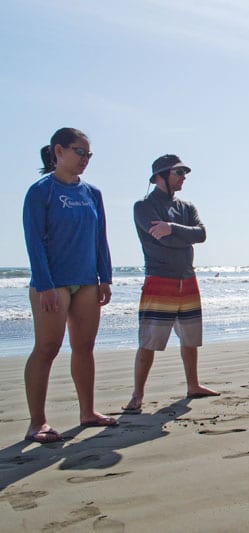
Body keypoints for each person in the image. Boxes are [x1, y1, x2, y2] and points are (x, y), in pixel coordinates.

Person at [22, 127, 117, 443]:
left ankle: (87, 412)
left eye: (88, 154)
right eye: (79, 152)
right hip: (53, 283)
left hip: (88, 281)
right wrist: (45, 284)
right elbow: (34, 242)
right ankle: (38, 422)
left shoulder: (93, 194)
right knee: (47, 348)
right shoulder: (41, 191)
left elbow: (99, 239)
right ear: (58, 151)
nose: (85, 160)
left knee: (84, 347)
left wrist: (106, 277)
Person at [122, 155, 219, 412]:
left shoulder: (187, 207)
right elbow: (164, 241)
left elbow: (202, 234)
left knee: (190, 337)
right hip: (159, 279)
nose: (184, 176)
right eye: (179, 172)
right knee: (149, 340)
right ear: (160, 176)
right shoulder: (143, 207)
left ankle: (193, 385)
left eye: (184, 172)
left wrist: (172, 228)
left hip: (187, 278)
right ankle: (137, 395)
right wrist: (181, 235)